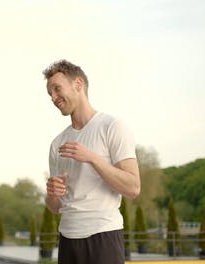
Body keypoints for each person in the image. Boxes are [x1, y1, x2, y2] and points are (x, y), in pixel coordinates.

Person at [43, 60, 141, 264]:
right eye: (50, 93)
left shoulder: (112, 127)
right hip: (68, 239)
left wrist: (93, 158)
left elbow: (133, 188)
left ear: (78, 84)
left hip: (103, 236)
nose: (53, 98)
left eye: (57, 89)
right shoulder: (57, 144)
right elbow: (54, 207)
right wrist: (52, 194)